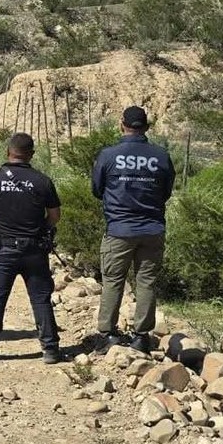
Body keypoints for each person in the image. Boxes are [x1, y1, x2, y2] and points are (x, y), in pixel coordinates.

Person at [0, 133, 64, 364]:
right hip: (34, 250)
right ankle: (50, 349)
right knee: (40, 299)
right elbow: (54, 216)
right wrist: (41, 228)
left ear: (8, 152)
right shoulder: (42, 181)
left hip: (3, 250)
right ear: (31, 154)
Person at [92, 106, 176, 354]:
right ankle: (141, 337)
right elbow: (166, 192)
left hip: (119, 229)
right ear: (146, 127)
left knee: (112, 281)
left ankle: (107, 334)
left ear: (122, 125)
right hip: (152, 228)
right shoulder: (161, 156)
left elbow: (97, 190)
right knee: (146, 282)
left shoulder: (108, 155)